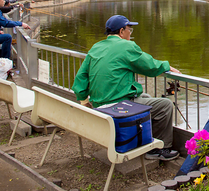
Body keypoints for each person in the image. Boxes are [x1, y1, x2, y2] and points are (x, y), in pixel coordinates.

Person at [71, 15, 181, 161]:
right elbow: (149, 65)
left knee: (146, 98)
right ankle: (159, 149)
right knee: (165, 105)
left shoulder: (96, 47)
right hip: (118, 108)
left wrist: (84, 101)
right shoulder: (127, 46)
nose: (131, 33)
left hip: (99, 107)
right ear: (122, 31)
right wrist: (167, 66)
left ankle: (143, 139)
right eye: (130, 29)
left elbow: (80, 78)